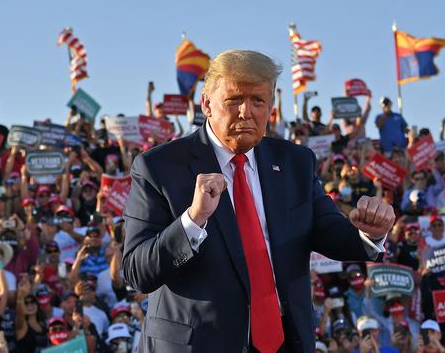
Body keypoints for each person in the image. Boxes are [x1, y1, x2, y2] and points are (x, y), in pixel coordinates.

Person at [122, 50, 396, 352]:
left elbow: (329, 232)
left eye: (258, 101)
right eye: (234, 100)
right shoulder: (159, 167)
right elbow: (136, 272)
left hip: (285, 341)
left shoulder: (295, 162)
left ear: (271, 107)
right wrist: (193, 219)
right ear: (207, 104)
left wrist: (370, 232)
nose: (246, 112)